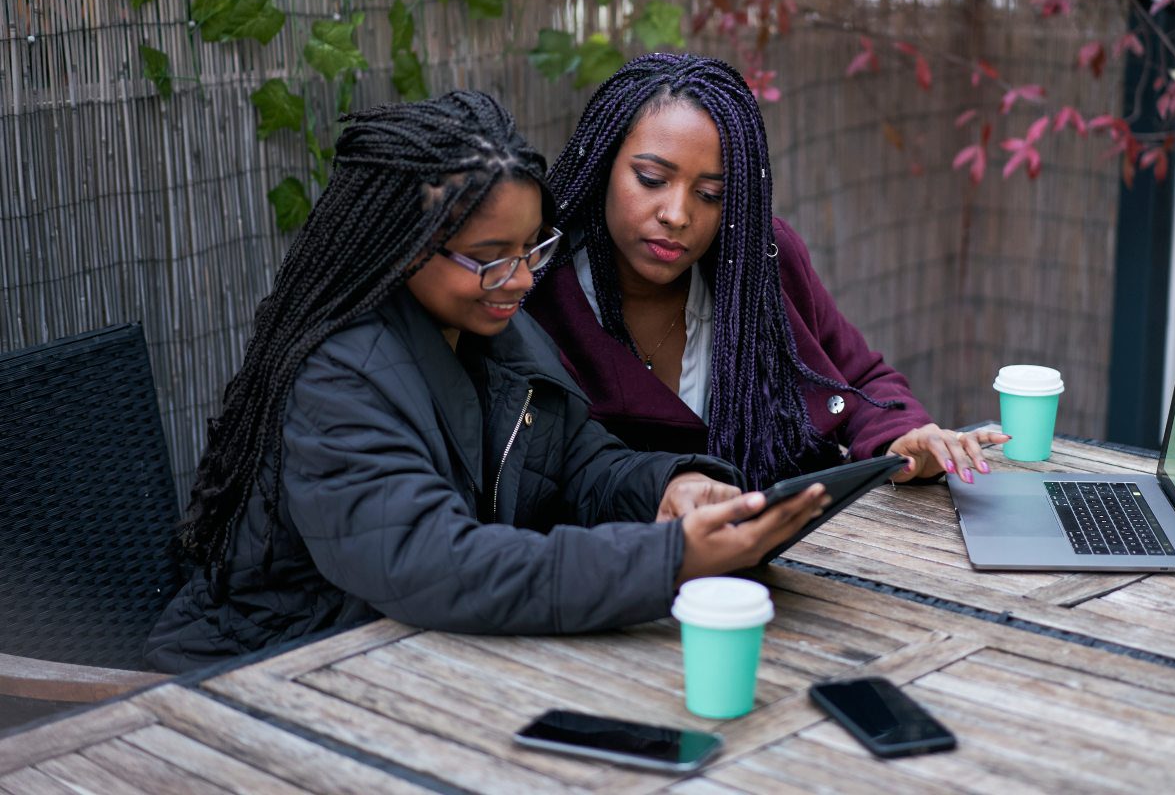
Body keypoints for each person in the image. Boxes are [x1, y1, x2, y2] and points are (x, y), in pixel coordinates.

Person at [146, 90, 824, 672]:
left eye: (533, 248)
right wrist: (666, 559)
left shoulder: (490, 325)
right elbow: (441, 564)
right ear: (402, 247)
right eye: (490, 258)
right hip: (272, 675)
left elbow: (580, 463)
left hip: (415, 659)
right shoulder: (338, 380)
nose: (524, 279)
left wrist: (670, 488)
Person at [527, 53, 1007, 492]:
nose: (676, 214)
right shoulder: (534, 291)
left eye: (711, 193)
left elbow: (859, 378)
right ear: (602, 164)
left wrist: (903, 439)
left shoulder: (762, 263)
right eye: (652, 180)